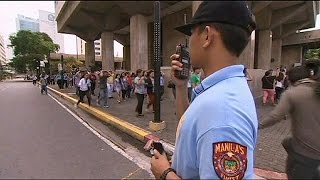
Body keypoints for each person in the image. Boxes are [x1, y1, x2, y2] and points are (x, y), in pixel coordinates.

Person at [151, 1, 257, 179]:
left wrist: (165, 173)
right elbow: (191, 123)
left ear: (207, 36)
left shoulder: (223, 110)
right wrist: (181, 86)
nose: (189, 42)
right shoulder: (219, 90)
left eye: (192, 33)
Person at [259, 66, 320, 179]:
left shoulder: (293, 93)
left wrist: (257, 125)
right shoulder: (315, 88)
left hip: (305, 156)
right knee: (287, 141)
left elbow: (276, 116)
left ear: (291, 80)